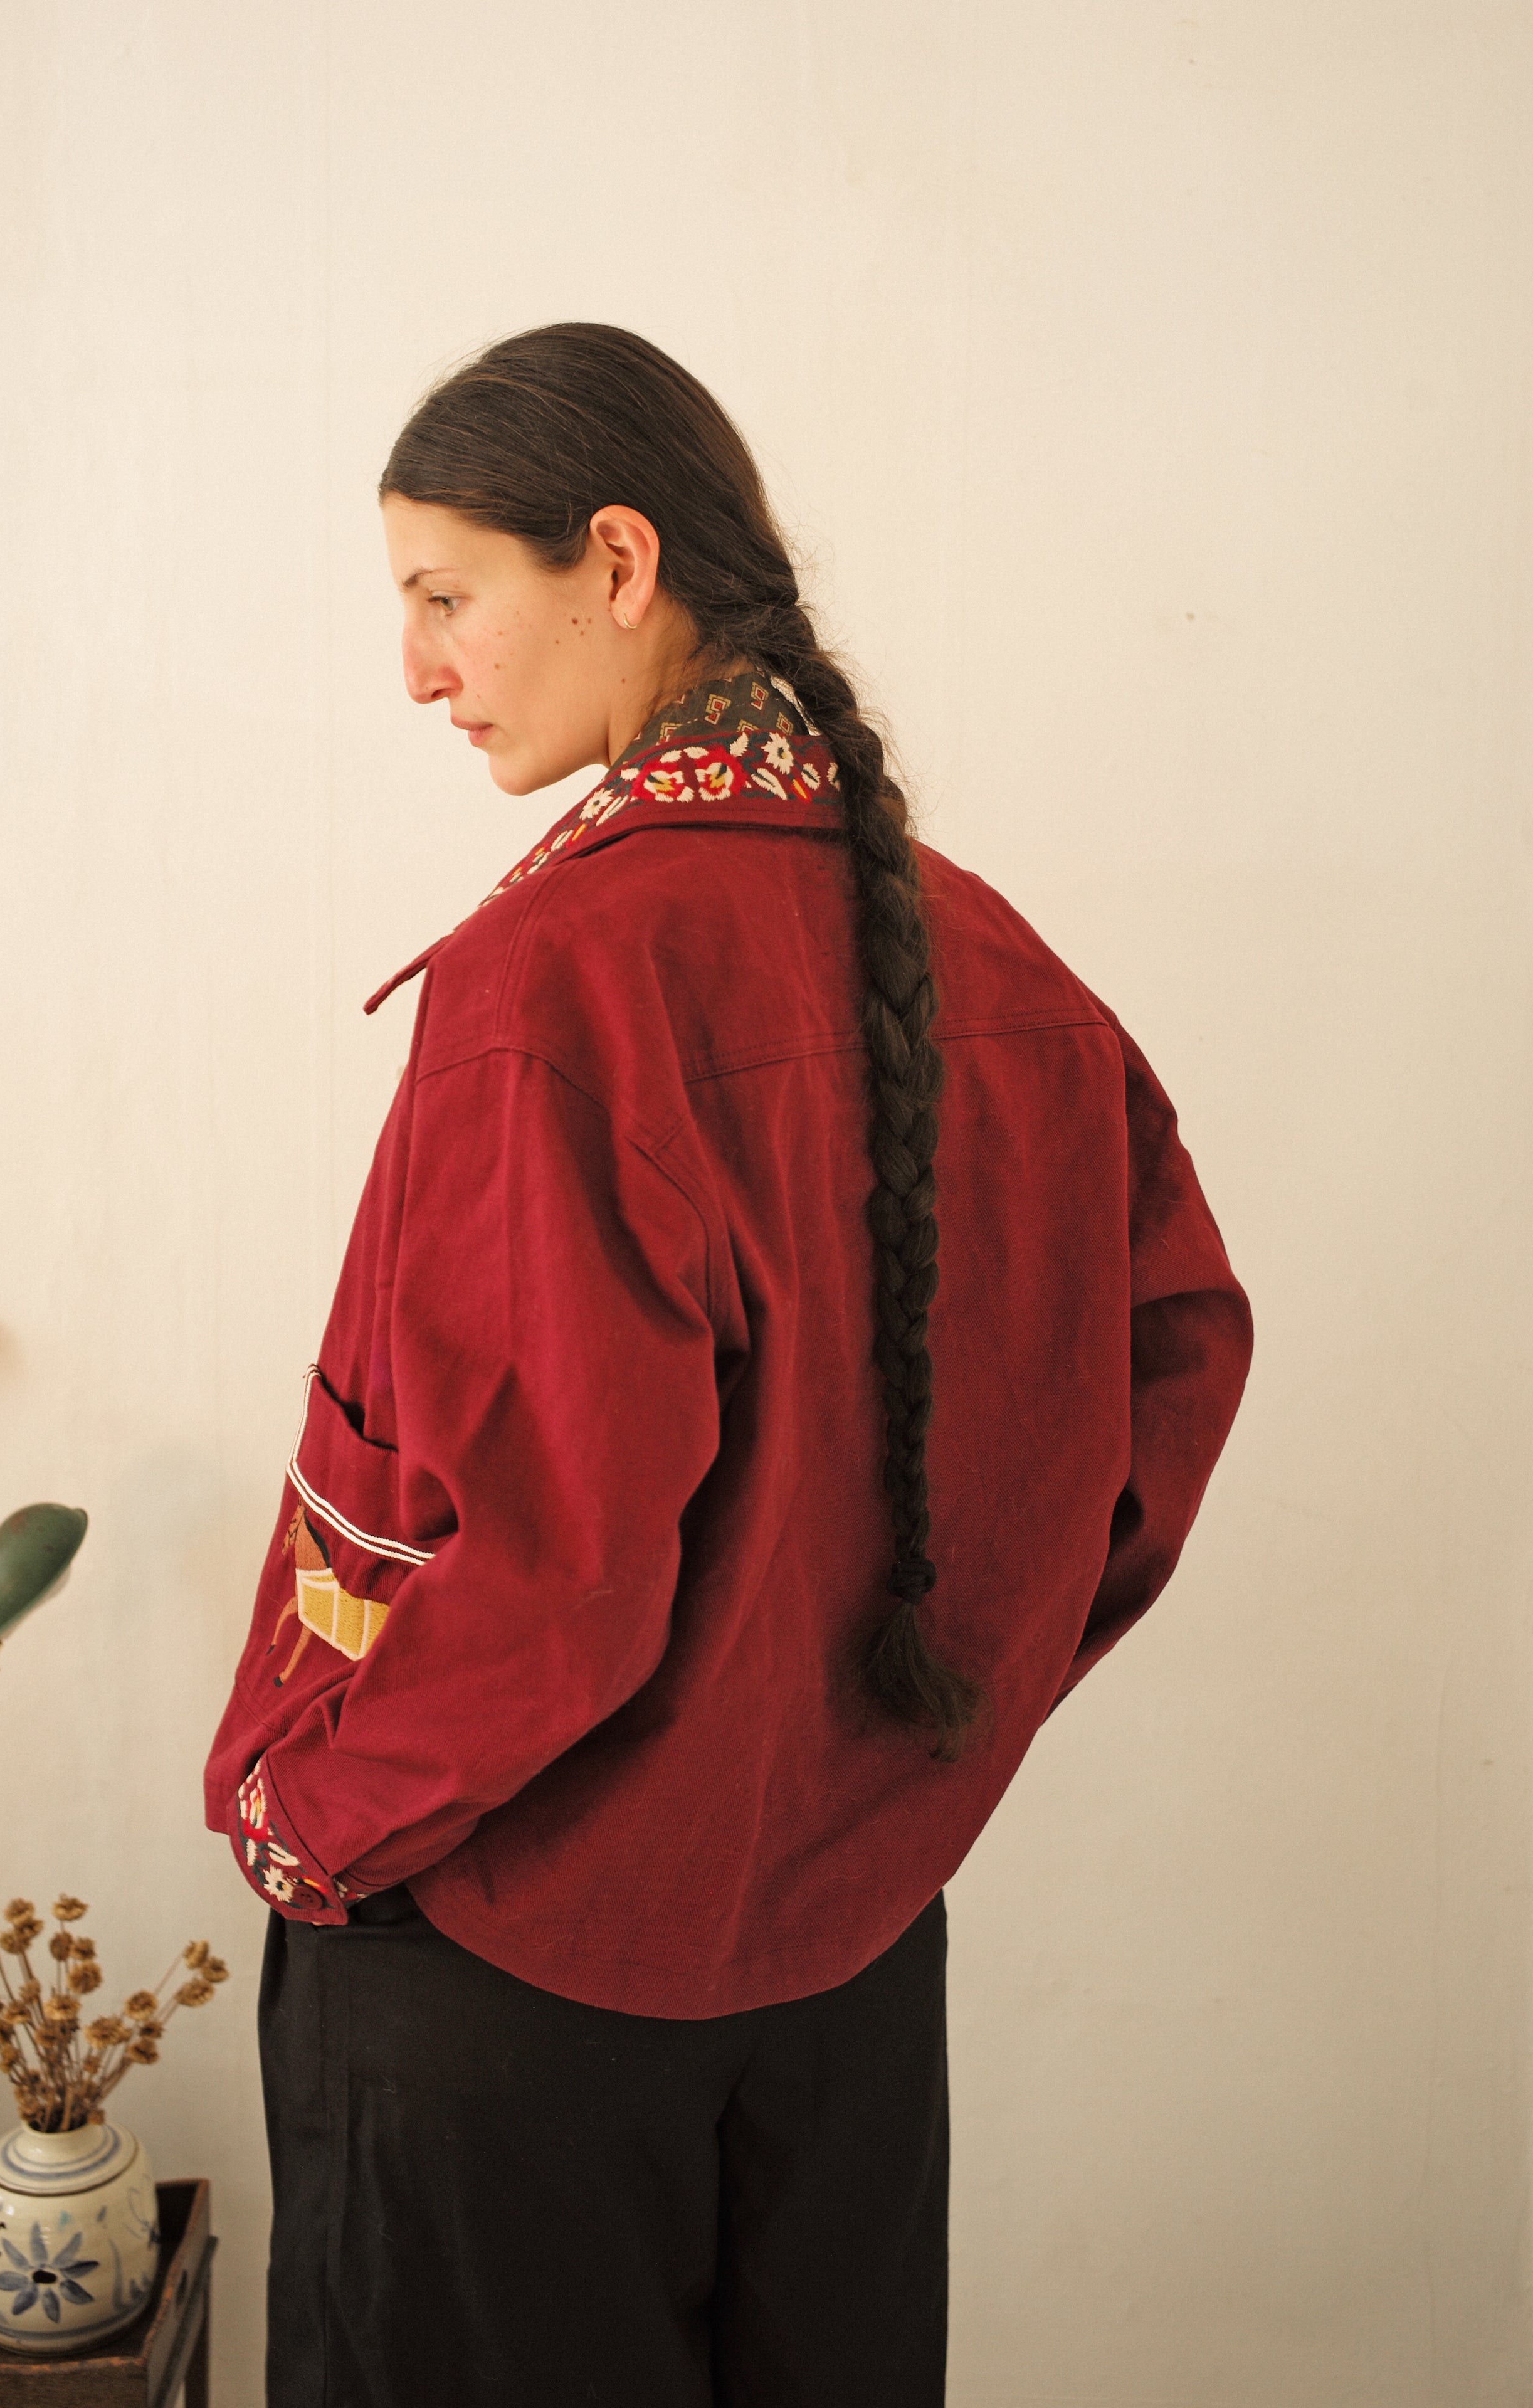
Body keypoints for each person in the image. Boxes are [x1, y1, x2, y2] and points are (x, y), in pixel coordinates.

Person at [204, 323, 1252, 2408]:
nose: (416, 670)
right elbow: (1169, 1378)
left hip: (509, 1970)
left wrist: (303, 1813)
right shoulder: (997, 963)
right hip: (850, 1966)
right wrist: (910, 1734)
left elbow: (552, 1563)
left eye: (444, 596)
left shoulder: (556, 982)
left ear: (617, 561)